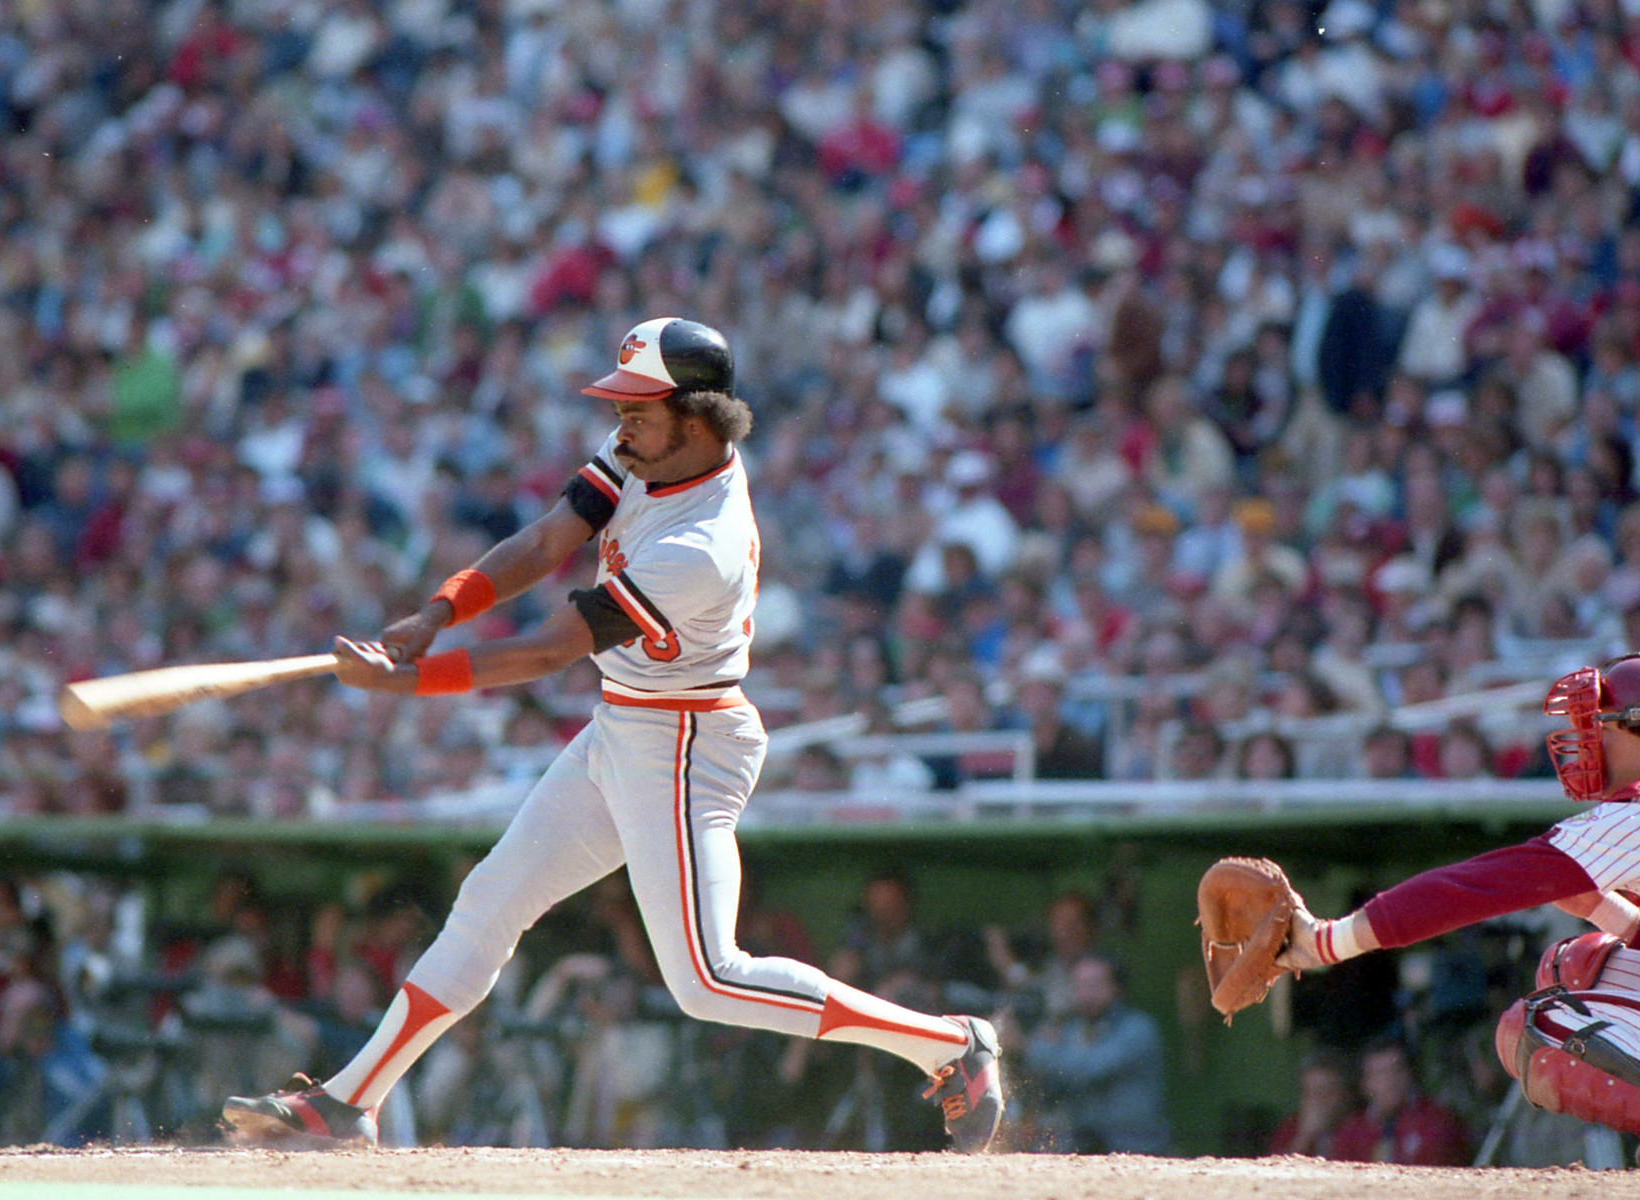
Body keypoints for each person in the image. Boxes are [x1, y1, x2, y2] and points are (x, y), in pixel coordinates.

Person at [223, 319, 1002, 1152]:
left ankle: (950, 1046)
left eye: (639, 408)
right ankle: (349, 1100)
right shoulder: (648, 450)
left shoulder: (701, 546)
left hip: (686, 742)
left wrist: (407, 681)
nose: (621, 420)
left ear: (697, 420)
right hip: (626, 725)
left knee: (708, 979)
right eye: (621, 407)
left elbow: (548, 651)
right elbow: (546, 542)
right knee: (489, 902)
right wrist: (436, 614)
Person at [1278, 654, 1640, 1170]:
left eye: (1602, 726)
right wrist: (1609, 912)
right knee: (1575, 964)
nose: (1588, 741)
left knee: (1541, 1024)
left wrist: (1328, 941)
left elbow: (1476, 886)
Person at [1017, 953, 1170, 1154]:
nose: (1087, 993)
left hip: (1138, 1149)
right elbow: (1053, 1086)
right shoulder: (1071, 1029)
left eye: (1096, 984)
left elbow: (1086, 1070)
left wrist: (1026, 1046)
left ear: (1117, 987)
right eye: (1080, 985)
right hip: (1088, 1149)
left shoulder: (1138, 1029)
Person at [1325, 1037, 1468, 1165]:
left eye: (1396, 1070)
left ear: (1409, 1074)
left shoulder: (1437, 1121)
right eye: (1380, 1074)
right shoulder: (1352, 1130)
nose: (1390, 1081)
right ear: (1365, 1083)